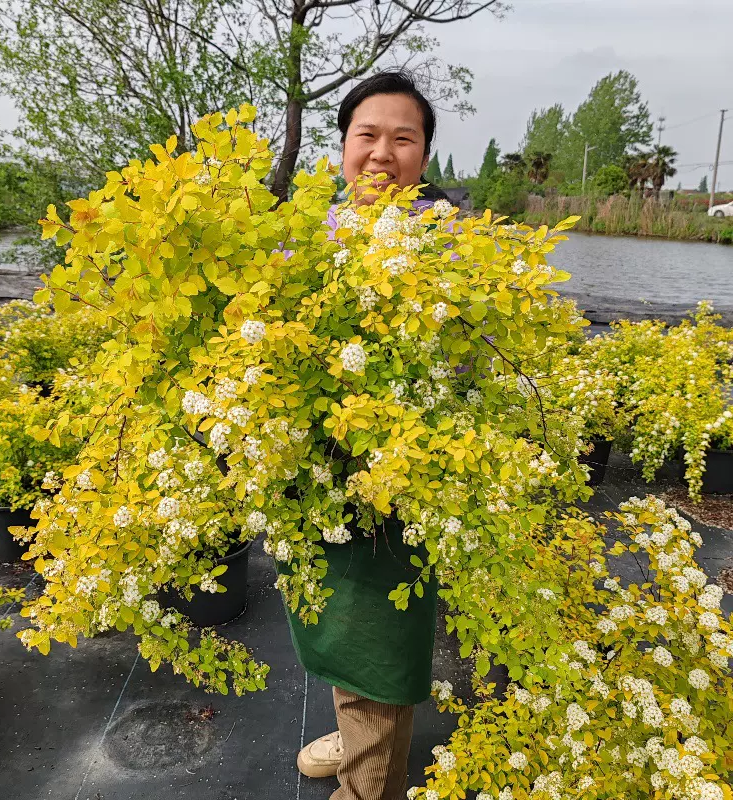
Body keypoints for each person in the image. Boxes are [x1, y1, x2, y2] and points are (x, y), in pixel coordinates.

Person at [282, 70, 442, 800]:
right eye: (366, 136)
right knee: (335, 625)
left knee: (378, 639)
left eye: (401, 138)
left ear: (424, 156)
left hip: (394, 483)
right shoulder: (314, 236)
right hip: (315, 477)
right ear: (343, 147)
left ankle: (365, 780)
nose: (382, 153)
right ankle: (353, 739)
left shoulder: (447, 247)